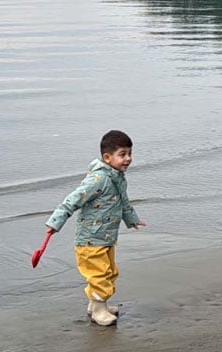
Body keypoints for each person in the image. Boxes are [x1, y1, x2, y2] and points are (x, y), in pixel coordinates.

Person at [46, 130, 146, 326]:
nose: (128, 159)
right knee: (99, 274)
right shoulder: (98, 179)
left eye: (129, 154)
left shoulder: (117, 177)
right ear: (107, 157)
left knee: (109, 271)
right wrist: (54, 223)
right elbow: (72, 200)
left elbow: (123, 202)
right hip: (90, 240)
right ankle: (99, 311)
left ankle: (97, 305)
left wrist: (132, 219)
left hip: (106, 236)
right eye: (122, 154)